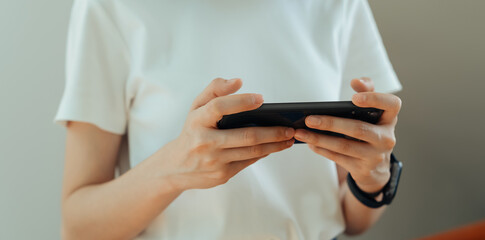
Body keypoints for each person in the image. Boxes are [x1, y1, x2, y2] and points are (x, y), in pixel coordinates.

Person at [55, 0, 403, 239]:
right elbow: (79, 227)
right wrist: (176, 167)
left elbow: (350, 217)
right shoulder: (111, 7)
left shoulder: (339, 5)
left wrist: (373, 178)